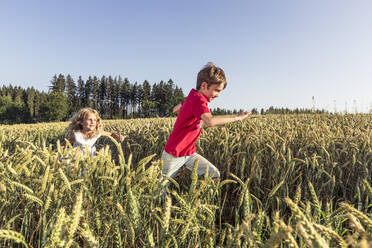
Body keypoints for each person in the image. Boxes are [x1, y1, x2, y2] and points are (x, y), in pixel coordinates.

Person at [161, 62, 250, 189]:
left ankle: (192, 199)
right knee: (159, 192)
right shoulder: (198, 100)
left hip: (189, 153)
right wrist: (237, 118)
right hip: (174, 153)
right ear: (204, 85)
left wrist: (185, 104)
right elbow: (210, 121)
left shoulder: (193, 97)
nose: (218, 95)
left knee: (214, 175)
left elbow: (174, 110)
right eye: (216, 90)